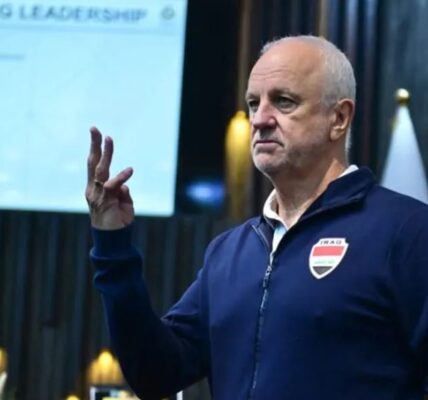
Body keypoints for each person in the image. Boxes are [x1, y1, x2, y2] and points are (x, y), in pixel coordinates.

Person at [87, 35, 428, 399]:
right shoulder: (229, 252)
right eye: (253, 103)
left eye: (284, 101)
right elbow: (155, 374)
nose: (261, 119)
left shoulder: (407, 231)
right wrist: (113, 245)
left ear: (339, 118)